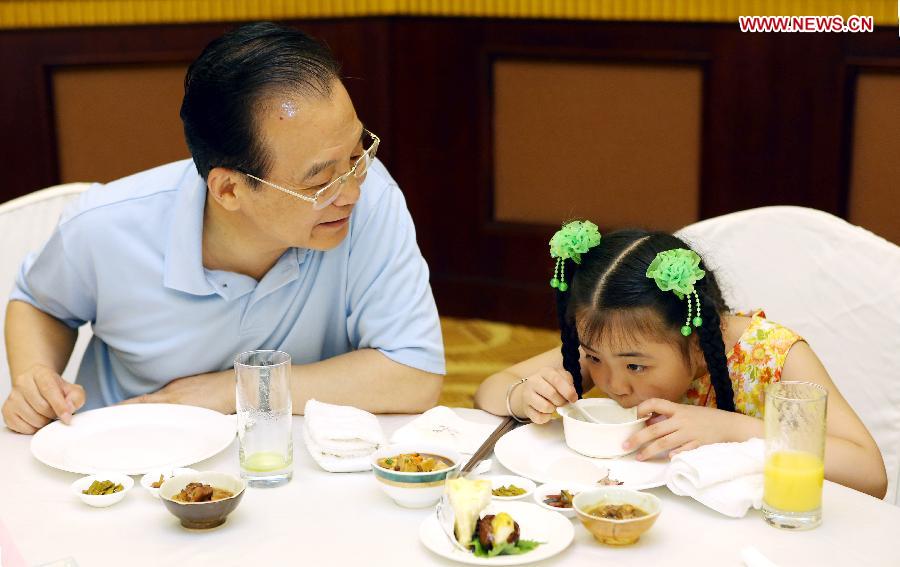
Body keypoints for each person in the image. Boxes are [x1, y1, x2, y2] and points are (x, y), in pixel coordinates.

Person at [2, 22, 445, 434]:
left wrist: (231, 390)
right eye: (318, 181)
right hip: (131, 455)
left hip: (288, 462)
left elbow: (414, 375)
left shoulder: (373, 199)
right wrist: (34, 379)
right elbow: (40, 304)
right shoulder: (103, 227)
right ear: (229, 189)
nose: (350, 192)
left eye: (357, 154)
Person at [475, 221, 886, 498]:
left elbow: (870, 474)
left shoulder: (773, 356)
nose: (614, 384)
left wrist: (731, 428)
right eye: (594, 358)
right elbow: (489, 389)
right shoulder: (610, 351)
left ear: (695, 341)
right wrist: (522, 395)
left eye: (636, 366)